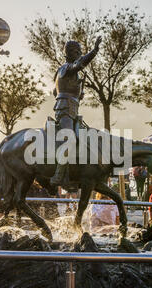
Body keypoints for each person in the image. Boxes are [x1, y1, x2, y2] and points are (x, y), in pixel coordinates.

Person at [49, 36, 102, 187]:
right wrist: (95, 50)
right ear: (70, 52)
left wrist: (77, 95)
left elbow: (55, 91)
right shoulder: (66, 68)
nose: (79, 54)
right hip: (64, 109)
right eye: (77, 51)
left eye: (80, 52)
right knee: (69, 139)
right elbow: (79, 64)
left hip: (72, 108)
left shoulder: (69, 72)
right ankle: (58, 175)